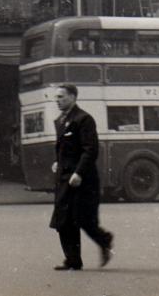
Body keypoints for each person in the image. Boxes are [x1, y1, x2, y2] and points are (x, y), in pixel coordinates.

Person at [49, 83, 114, 271]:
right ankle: (73, 260)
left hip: (81, 180)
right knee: (63, 220)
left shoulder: (84, 119)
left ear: (73, 97)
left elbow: (90, 150)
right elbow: (64, 148)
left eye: (61, 97)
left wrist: (78, 172)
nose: (57, 100)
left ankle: (104, 240)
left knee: (83, 219)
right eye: (56, 97)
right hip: (64, 177)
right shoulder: (61, 120)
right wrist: (57, 161)